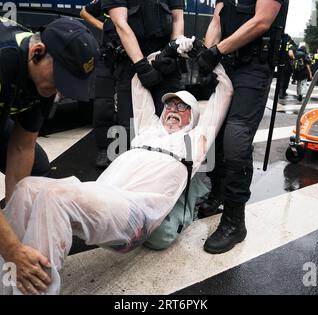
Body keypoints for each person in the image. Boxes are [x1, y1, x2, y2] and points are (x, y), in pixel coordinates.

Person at [0, 57, 234, 295]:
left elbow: (225, 93)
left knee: (54, 197)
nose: (173, 109)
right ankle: (4, 289)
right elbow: (138, 84)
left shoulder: (194, 142)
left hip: (135, 213)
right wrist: (159, 56)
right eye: (170, 105)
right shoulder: (148, 129)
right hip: (101, 196)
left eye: (182, 107)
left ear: (194, 118)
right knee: (25, 190)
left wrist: (209, 58)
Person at [0, 11, 99, 292]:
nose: (59, 92)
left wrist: (15, 235)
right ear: (37, 52)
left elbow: (23, 146)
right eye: (59, 80)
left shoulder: (43, 73)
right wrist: (13, 251)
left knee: (37, 165)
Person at [194, 0, 289, 254]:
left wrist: (217, 51)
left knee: (236, 139)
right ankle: (218, 193)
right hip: (226, 64)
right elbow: (217, 20)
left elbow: (262, 21)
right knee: (215, 134)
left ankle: (235, 222)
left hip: (253, 68)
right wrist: (207, 54)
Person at [101, 0, 186, 148]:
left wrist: (171, 52)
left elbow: (177, 19)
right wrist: (142, 67)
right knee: (130, 130)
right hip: (131, 63)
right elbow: (121, 24)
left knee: (171, 126)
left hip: (164, 61)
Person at [80, 1, 117, 168]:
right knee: (103, 105)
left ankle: (127, 149)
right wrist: (105, 27)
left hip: (134, 57)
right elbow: (84, 12)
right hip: (108, 56)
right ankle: (104, 150)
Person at [279, 34, 296, 100]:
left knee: (281, 78)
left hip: (280, 63)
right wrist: (293, 58)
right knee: (286, 78)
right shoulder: (290, 45)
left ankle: (280, 92)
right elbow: (290, 54)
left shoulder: (280, 45)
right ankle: (283, 92)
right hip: (287, 65)